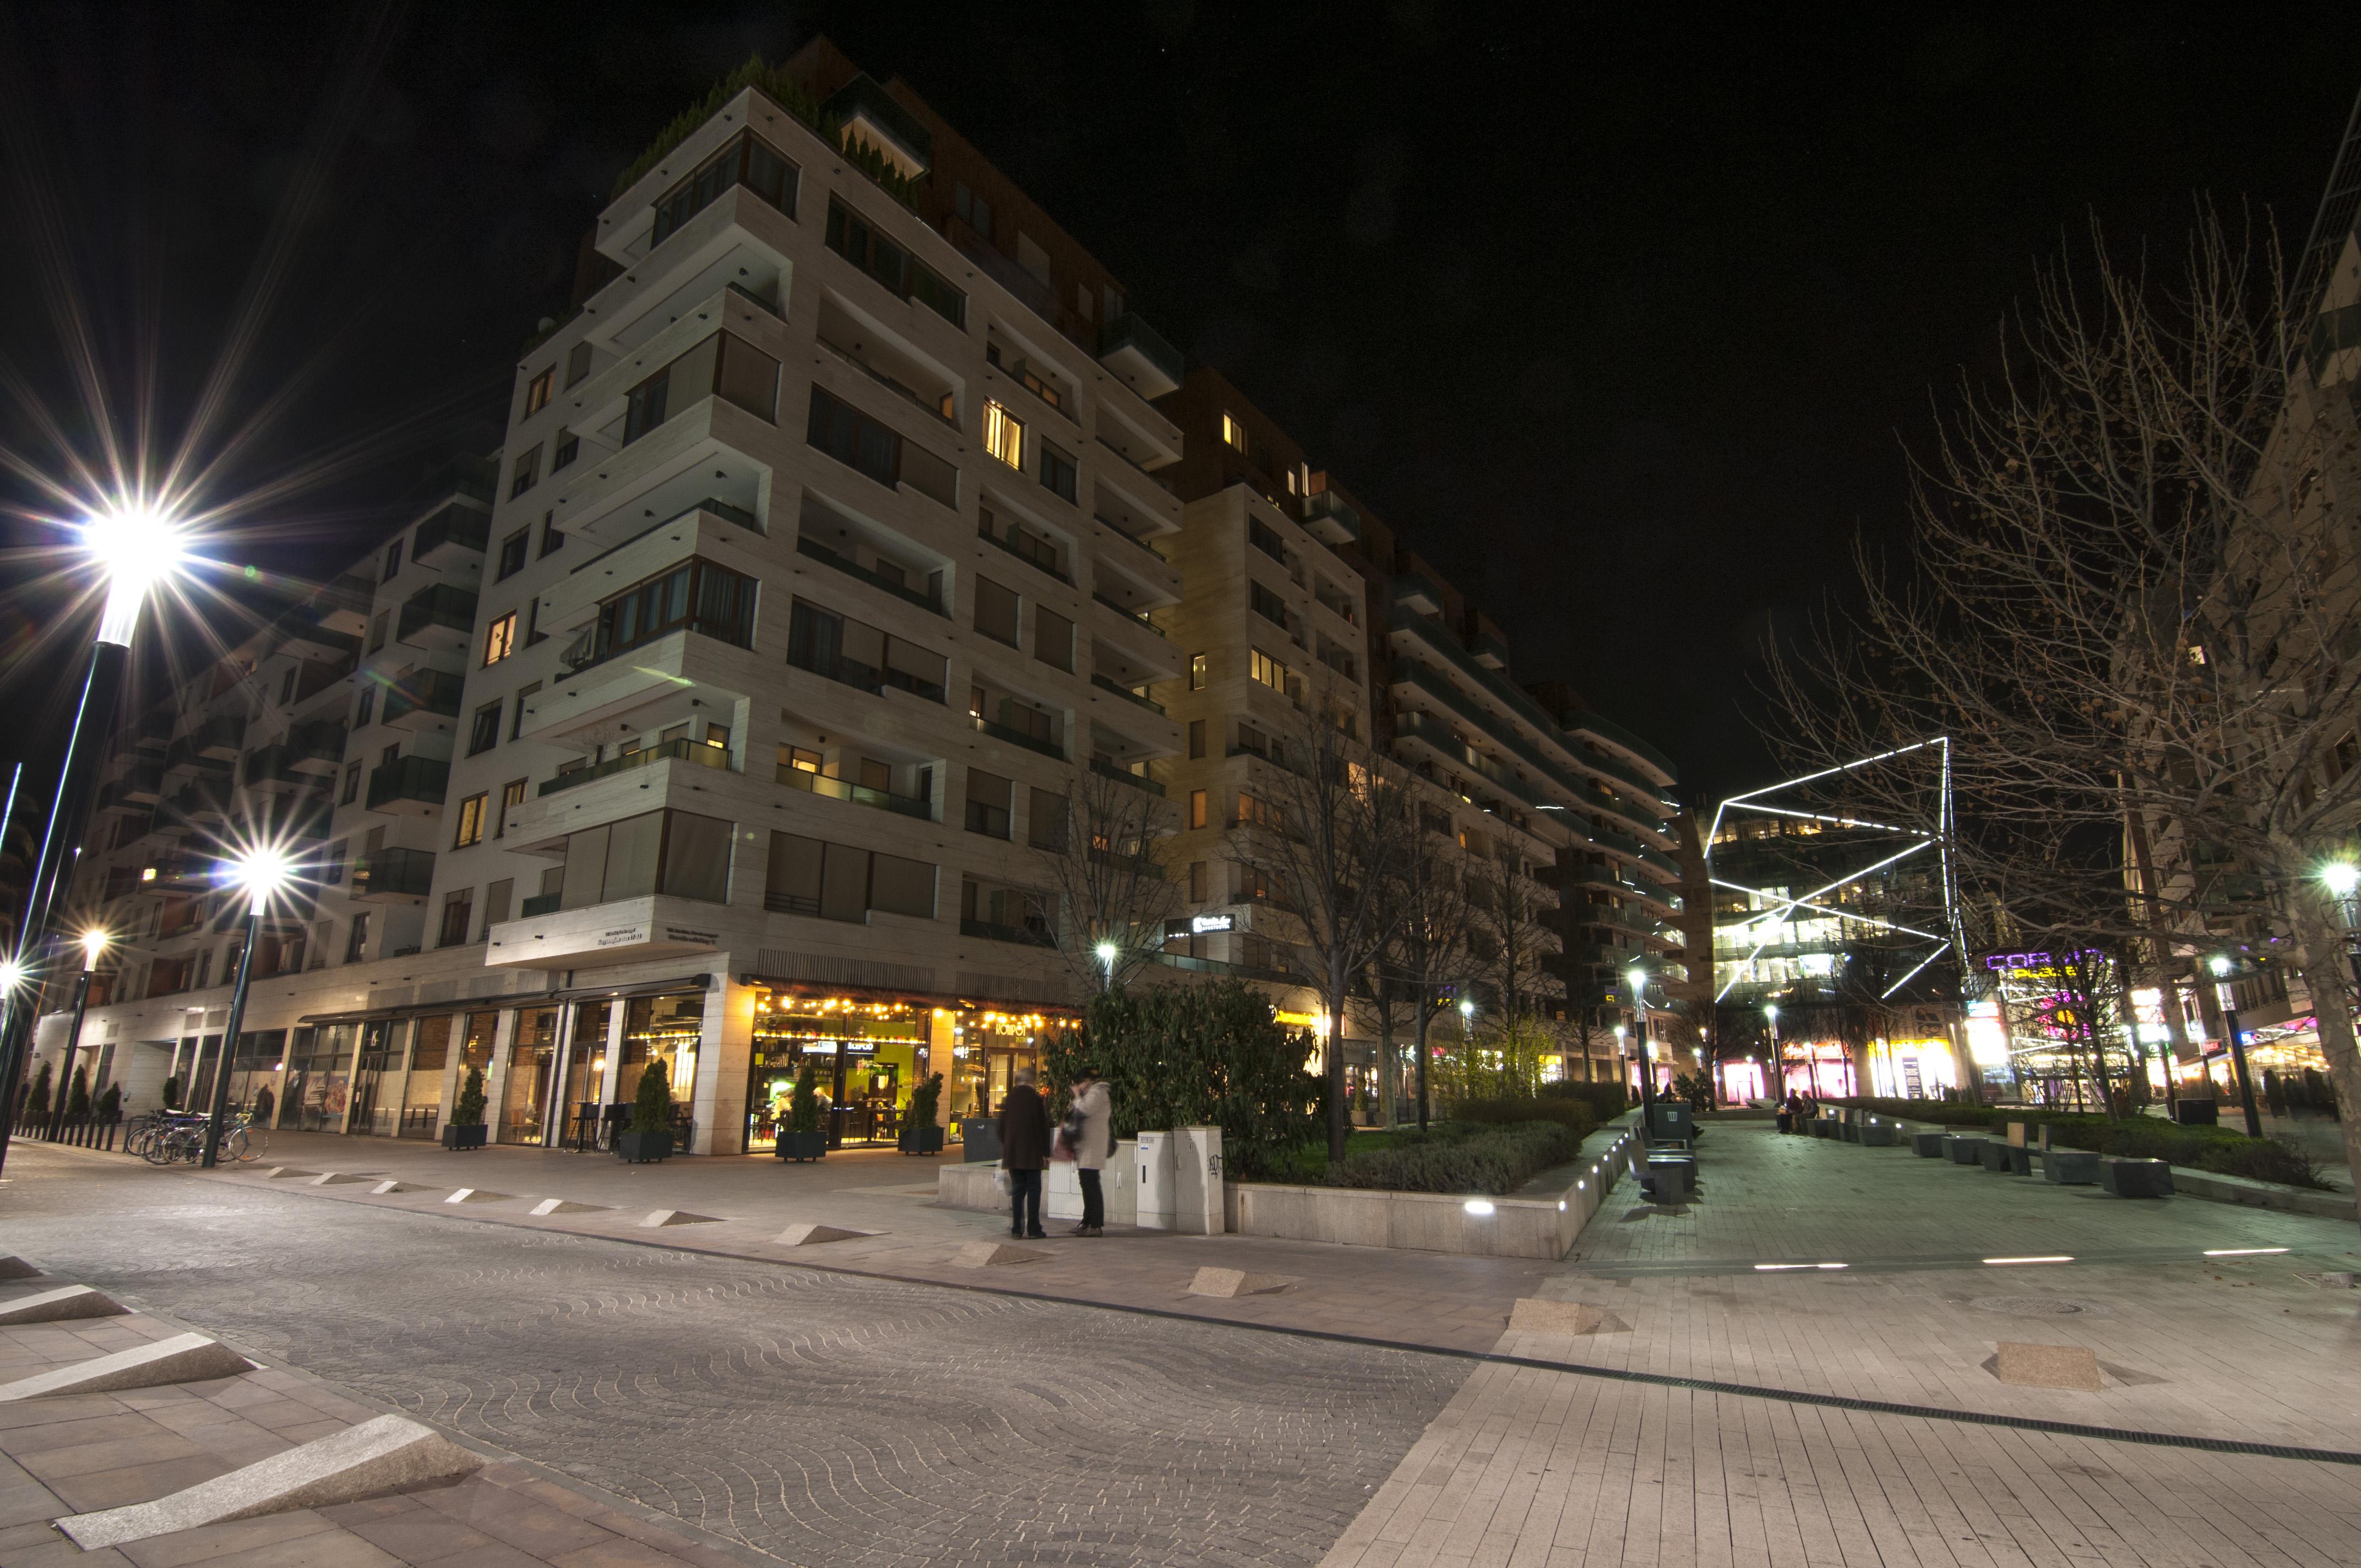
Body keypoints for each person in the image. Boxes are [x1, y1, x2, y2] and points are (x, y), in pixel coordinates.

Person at [998, 1066, 1051, 1239]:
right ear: (1031, 1082)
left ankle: (1016, 1228)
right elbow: (1044, 1128)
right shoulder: (1036, 1100)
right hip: (1033, 1154)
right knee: (1034, 1190)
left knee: (1018, 1190)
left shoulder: (1009, 1099)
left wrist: (1009, 1145)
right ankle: (1034, 1229)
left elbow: (1000, 1128)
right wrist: (1046, 1154)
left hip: (1013, 1154)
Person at [1065, 1070, 1112, 1237]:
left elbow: (1084, 1110)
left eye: (1078, 1084)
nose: (1077, 1087)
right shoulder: (1094, 1092)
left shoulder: (1097, 1092)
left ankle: (1096, 1225)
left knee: (1091, 1185)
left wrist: (1077, 1096)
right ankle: (1087, 1222)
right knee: (1086, 1183)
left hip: (1093, 1146)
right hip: (1088, 1146)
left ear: (1086, 1081)